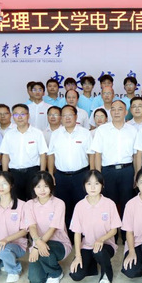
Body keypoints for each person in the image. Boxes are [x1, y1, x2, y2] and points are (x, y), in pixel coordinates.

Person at [91, 100, 138, 234]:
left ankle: (126, 234)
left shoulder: (133, 130)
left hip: (127, 170)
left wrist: (136, 173)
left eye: (120, 109)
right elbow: (97, 154)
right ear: (110, 112)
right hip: (108, 171)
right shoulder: (102, 130)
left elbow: (135, 155)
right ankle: (111, 235)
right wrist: (98, 176)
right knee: (108, 204)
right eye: (113, 109)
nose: (116, 112)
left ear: (126, 112)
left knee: (127, 203)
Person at [47, 104, 92, 242]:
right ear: (61, 118)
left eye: (70, 115)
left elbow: (91, 154)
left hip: (81, 175)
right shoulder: (55, 134)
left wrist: (92, 174)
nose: (67, 118)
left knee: (82, 206)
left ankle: (83, 236)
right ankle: (67, 237)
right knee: (63, 207)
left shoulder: (85, 133)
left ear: (76, 117)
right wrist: (51, 174)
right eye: (64, 115)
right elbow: (51, 155)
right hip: (61, 176)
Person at [69, 170, 122, 283]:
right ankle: (92, 264)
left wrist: (101, 239)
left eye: (96, 183)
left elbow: (114, 230)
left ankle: (106, 273)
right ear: (84, 186)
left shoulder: (109, 204)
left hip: (106, 246)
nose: (92, 187)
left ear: (102, 185)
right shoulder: (79, 206)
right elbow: (77, 233)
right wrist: (78, 256)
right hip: (87, 245)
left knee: (99, 252)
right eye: (89, 184)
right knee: (76, 275)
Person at [24, 172, 72, 283]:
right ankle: (47, 263)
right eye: (38, 186)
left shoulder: (59, 203)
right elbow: (32, 226)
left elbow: (53, 228)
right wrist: (37, 243)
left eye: (45, 186)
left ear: (51, 186)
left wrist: (37, 246)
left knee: (45, 249)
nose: (42, 190)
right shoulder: (29, 204)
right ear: (33, 188)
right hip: (38, 242)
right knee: (35, 280)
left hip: (59, 243)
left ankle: (56, 273)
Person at [0, 103, 48, 201]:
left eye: (22, 114)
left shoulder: (37, 133)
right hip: (14, 173)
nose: (19, 117)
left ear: (28, 115)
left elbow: (42, 154)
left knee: (34, 200)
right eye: (16, 114)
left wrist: (42, 174)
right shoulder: (9, 134)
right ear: (13, 116)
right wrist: (5, 174)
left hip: (33, 172)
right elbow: (5, 155)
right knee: (16, 201)